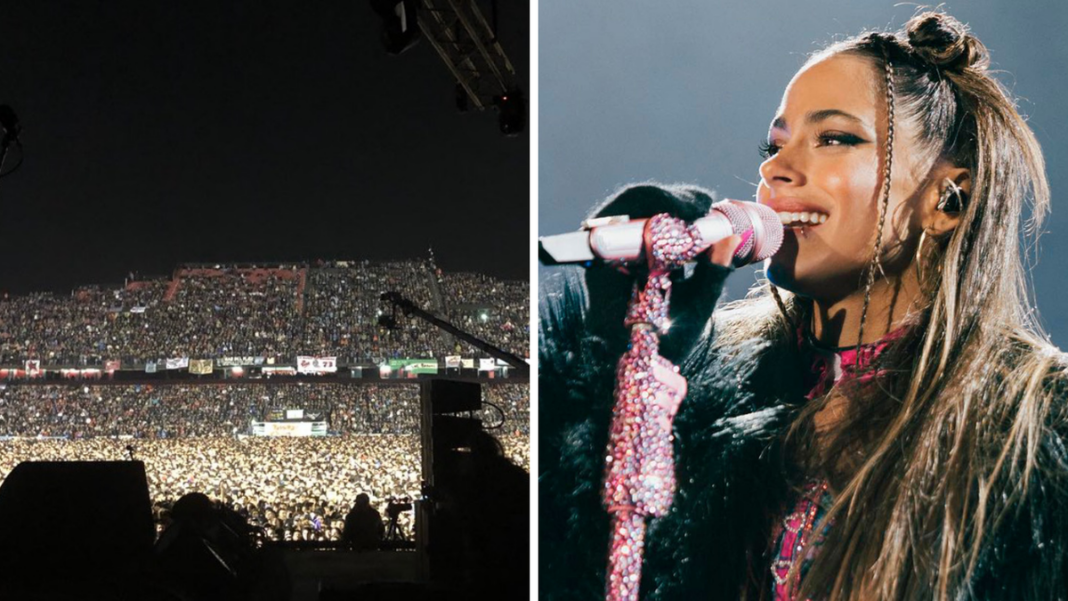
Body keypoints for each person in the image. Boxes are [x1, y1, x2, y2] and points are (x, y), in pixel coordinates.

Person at [540, 11, 1068, 601]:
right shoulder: (701, 397)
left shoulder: (1039, 426)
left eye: (835, 138)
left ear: (946, 200)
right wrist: (615, 364)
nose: (774, 168)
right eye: (775, 144)